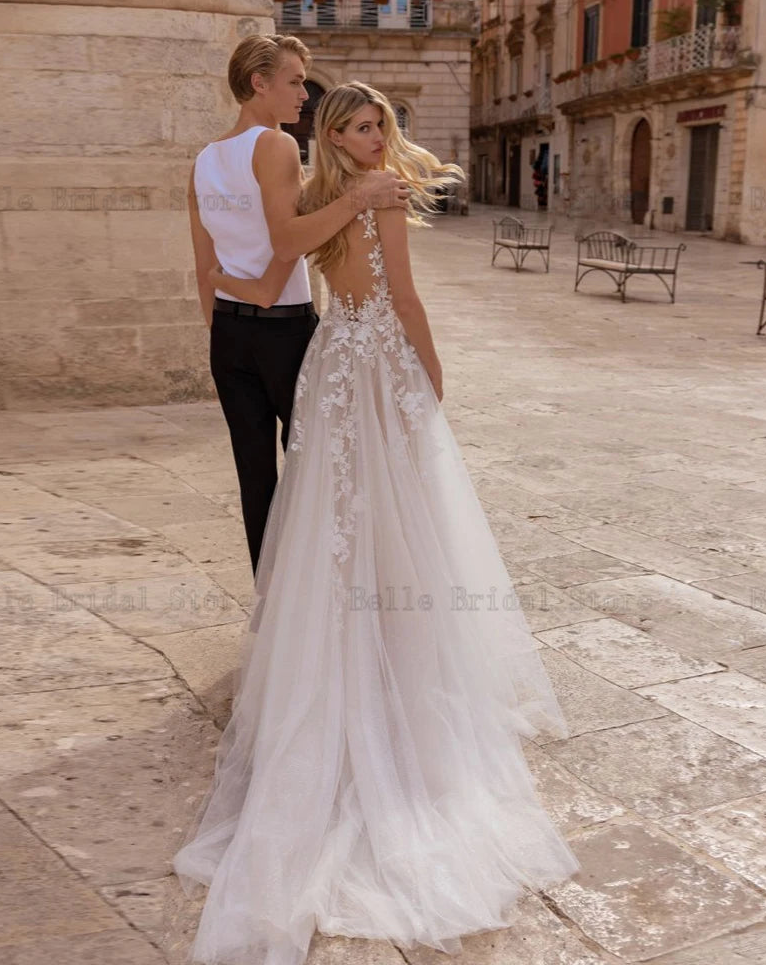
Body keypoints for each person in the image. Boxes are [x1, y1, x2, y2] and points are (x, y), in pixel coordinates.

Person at [173, 82, 580, 965]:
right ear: (334, 133)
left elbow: (280, 257)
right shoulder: (379, 193)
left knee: (339, 517)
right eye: (358, 126)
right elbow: (404, 297)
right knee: (395, 516)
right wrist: (430, 375)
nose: (371, 136)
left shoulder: (316, 197)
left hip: (331, 358)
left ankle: (362, 651)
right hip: (372, 358)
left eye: (379, 126)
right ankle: (395, 662)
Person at [189, 34, 410, 575]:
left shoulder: (204, 159)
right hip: (283, 333)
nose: (303, 96)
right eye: (293, 82)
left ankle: (272, 607)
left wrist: (227, 326)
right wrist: (361, 196)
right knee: (324, 470)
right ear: (258, 83)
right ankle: (325, 598)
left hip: (227, 336)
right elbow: (288, 240)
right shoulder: (277, 145)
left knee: (255, 476)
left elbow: (205, 269)